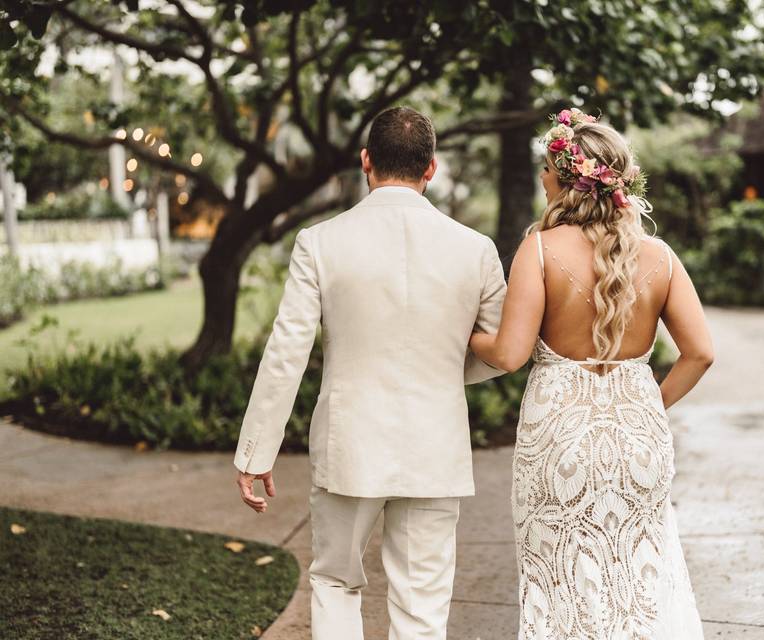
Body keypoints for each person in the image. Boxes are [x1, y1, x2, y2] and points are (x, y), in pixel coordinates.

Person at [232, 106, 508, 640]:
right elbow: (500, 350)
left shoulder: (320, 242)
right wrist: (448, 372)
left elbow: (287, 349)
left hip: (349, 443)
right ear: (431, 168)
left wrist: (256, 451)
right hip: (435, 443)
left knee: (335, 581)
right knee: (424, 602)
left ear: (365, 161)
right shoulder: (476, 250)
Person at [469, 108, 714, 639]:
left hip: (558, 439)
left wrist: (462, 332)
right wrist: (648, 401)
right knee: (641, 581)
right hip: (638, 438)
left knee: (560, 583)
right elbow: (700, 353)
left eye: (546, 170)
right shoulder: (661, 257)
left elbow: (508, 354)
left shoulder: (538, 249)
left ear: (560, 179)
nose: (541, 178)